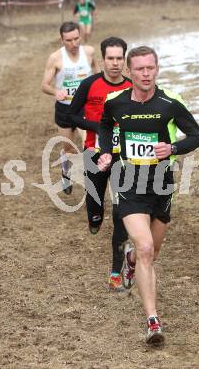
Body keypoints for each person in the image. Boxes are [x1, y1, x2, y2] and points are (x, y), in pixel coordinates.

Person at [97, 46, 199, 344]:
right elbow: (105, 125)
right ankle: (152, 320)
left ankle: (130, 260)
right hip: (128, 180)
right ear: (129, 72)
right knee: (144, 248)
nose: (146, 74)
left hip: (161, 184)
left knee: (151, 253)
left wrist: (174, 148)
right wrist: (106, 152)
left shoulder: (171, 103)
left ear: (157, 69)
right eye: (140, 69)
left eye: (150, 68)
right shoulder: (115, 102)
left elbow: (196, 136)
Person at [69, 37, 132, 291]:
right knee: (95, 206)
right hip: (94, 152)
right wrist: (97, 127)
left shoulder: (132, 86)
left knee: (121, 212)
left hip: (123, 156)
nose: (115, 63)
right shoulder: (89, 84)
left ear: (124, 59)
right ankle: (94, 218)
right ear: (103, 59)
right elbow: (72, 114)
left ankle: (116, 271)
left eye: (119, 58)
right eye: (111, 58)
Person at [42, 21, 99, 195]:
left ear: (80, 36)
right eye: (69, 40)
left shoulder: (89, 52)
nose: (74, 44)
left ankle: (89, 177)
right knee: (68, 148)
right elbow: (44, 85)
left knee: (88, 143)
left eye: (76, 38)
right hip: (65, 110)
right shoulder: (55, 58)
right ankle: (66, 170)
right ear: (62, 40)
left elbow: (97, 74)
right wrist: (55, 91)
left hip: (84, 108)